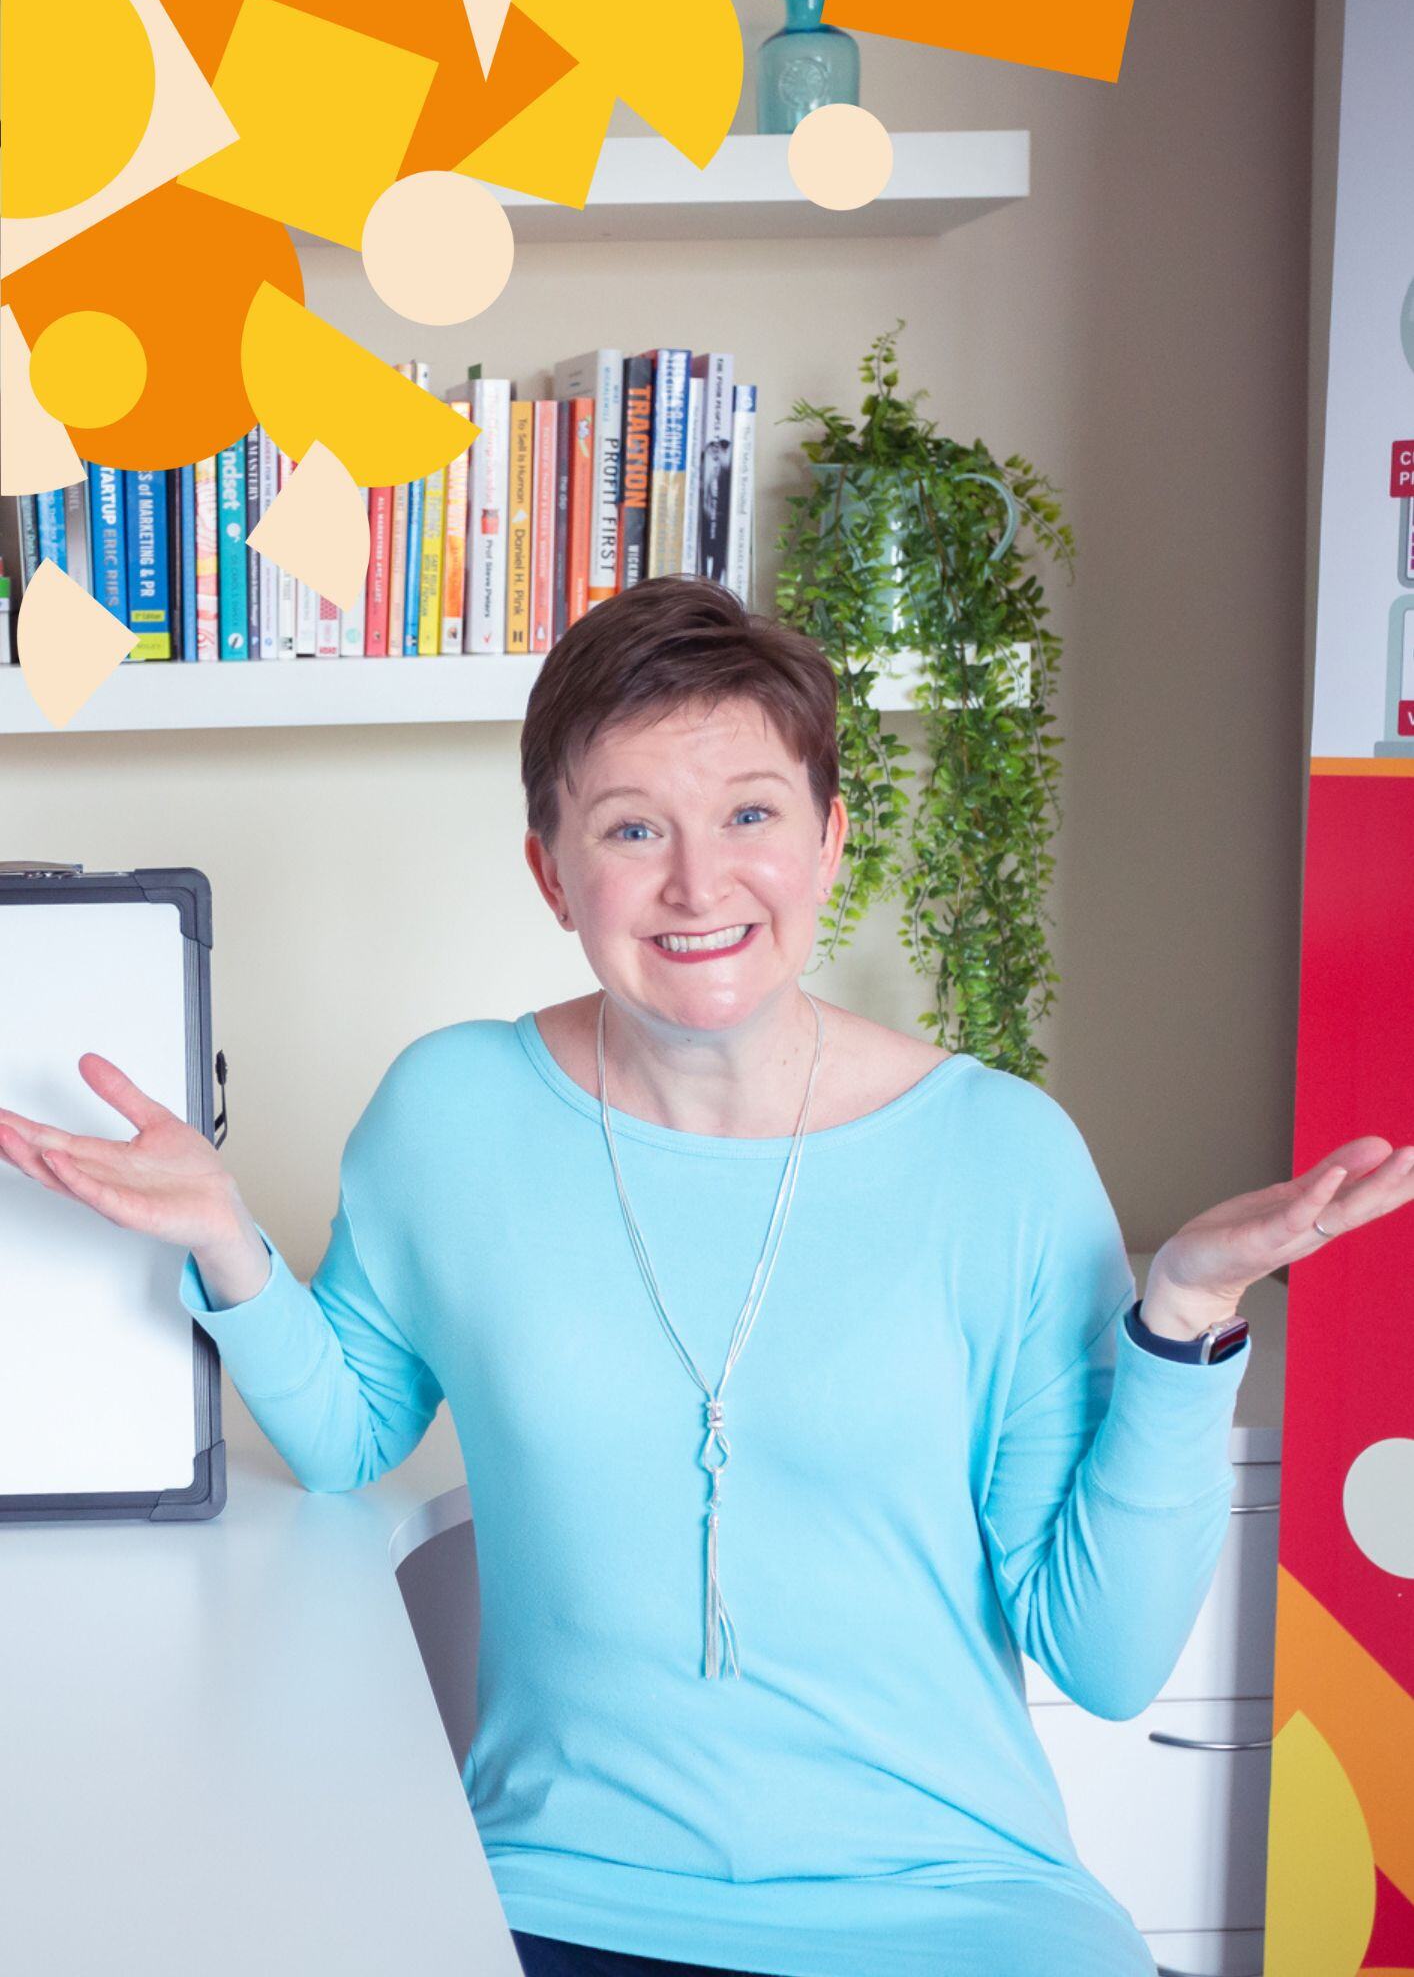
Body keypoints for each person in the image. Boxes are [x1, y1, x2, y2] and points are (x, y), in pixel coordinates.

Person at [2, 575, 1410, 1977]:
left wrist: (1181, 1317)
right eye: (630, 828)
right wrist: (224, 1241)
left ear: (827, 840)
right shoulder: (451, 1112)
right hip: (555, 1904)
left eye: (749, 814)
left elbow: (1100, 1660)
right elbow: (348, 1437)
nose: (696, 883)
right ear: (552, 871)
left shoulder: (1002, 1157)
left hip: (955, 1910)